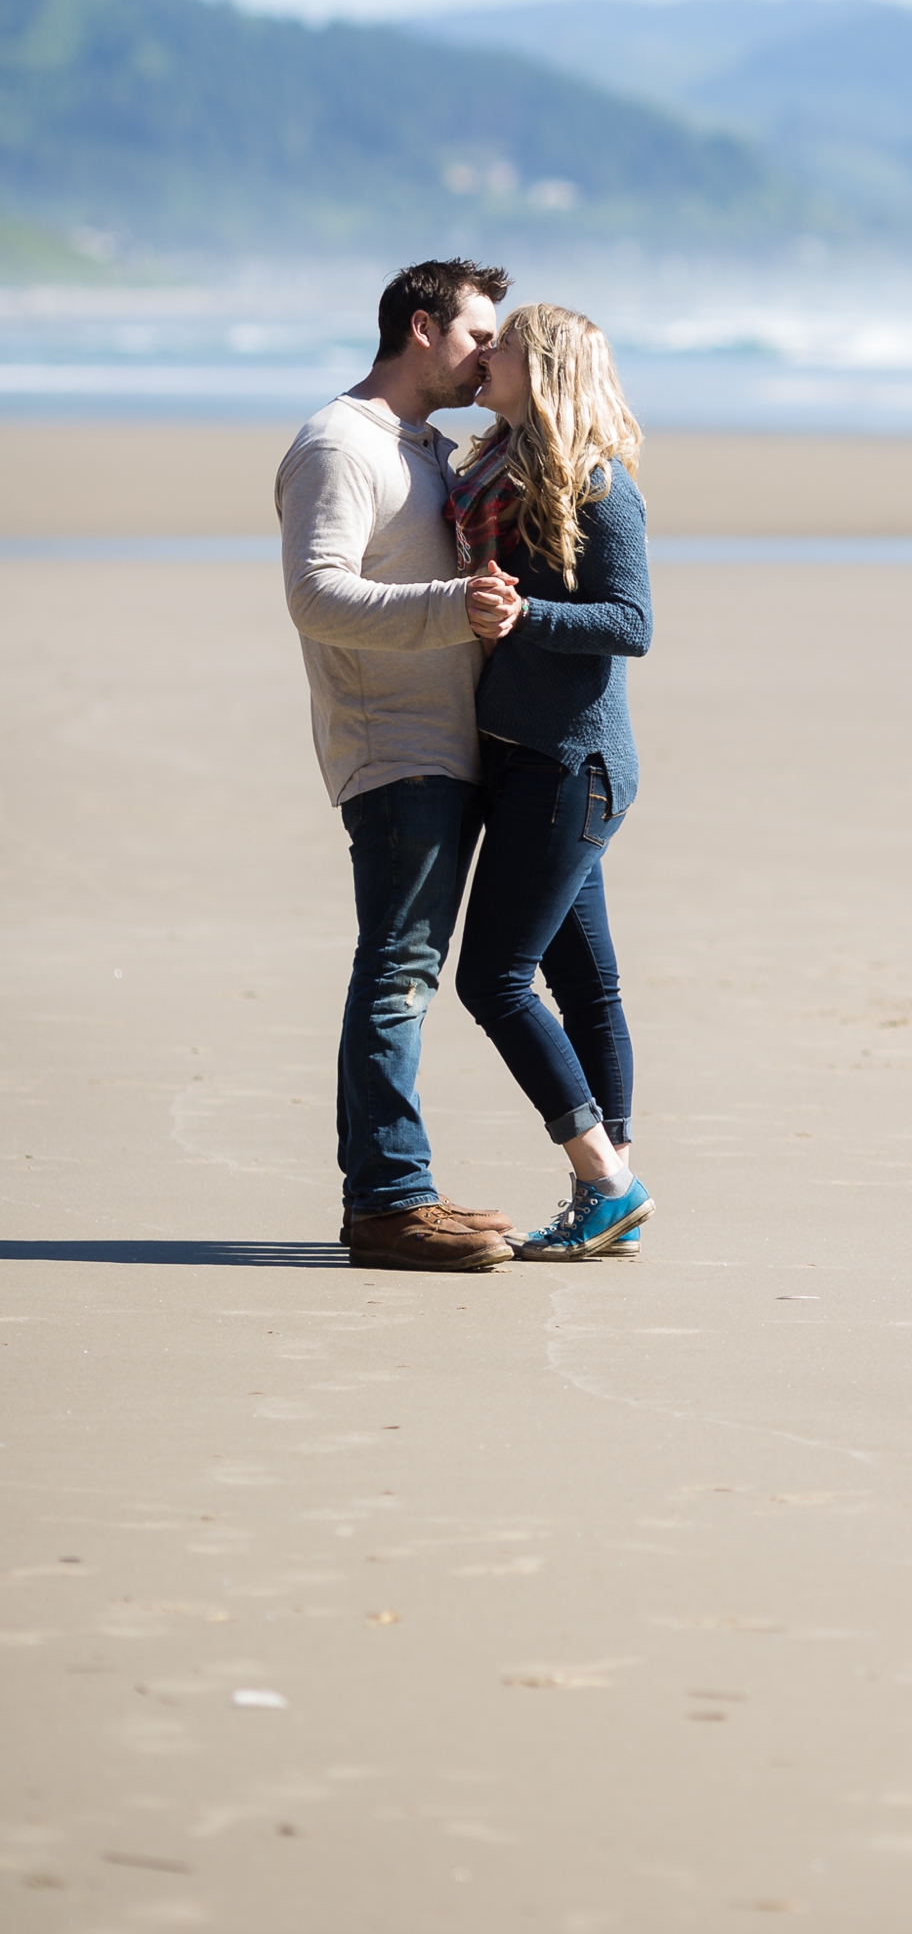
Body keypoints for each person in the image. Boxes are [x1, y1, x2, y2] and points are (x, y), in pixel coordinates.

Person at [276, 258, 528, 1272]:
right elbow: (315, 595)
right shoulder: (339, 443)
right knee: (399, 970)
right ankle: (389, 1200)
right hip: (392, 746)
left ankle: (388, 1188)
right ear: (421, 329)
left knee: (401, 967)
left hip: (448, 744)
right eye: (477, 336)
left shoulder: (424, 447)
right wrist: (456, 607)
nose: (487, 357)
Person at [450, 301, 656, 1259]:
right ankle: (610, 1199)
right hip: (523, 757)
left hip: (572, 767)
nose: (485, 354)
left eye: (504, 345)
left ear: (547, 371)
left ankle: (606, 1181)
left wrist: (524, 615)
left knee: (492, 979)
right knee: (584, 985)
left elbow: (632, 624)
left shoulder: (601, 487)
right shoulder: (498, 473)